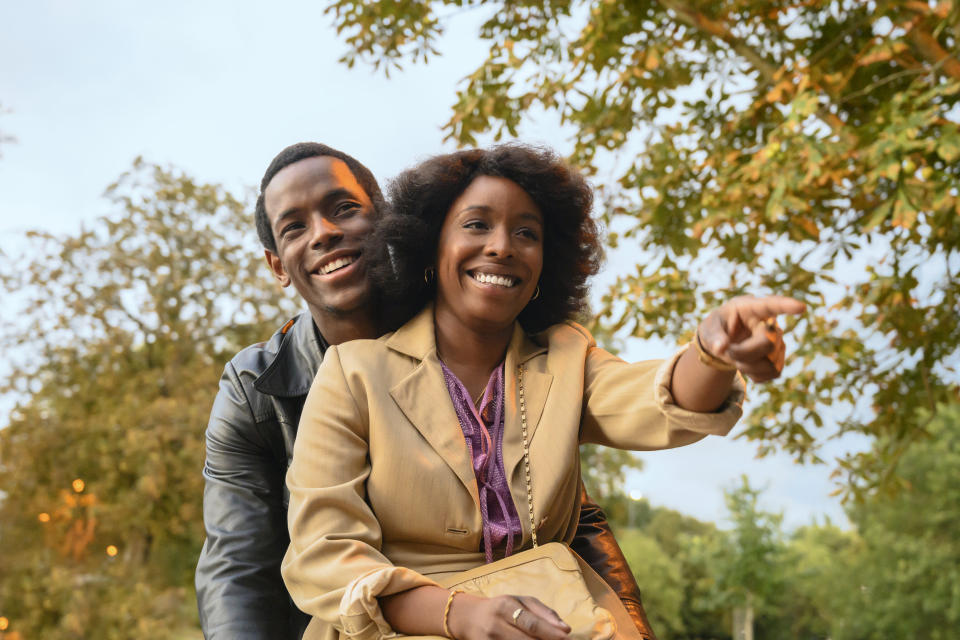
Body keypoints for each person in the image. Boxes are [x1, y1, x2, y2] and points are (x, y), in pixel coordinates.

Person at [281, 144, 805, 640]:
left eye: (526, 234)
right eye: (476, 225)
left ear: (542, 269)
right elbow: (324, 555)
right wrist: (459, 615)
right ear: (429, 246)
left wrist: (712, 353)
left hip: (558, 616)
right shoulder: (354, 372)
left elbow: (649, 400)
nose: (502, 246)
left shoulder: (566, 356)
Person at [195, 142, 660, 640]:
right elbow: (238, 564)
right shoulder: (252, 392)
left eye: (344, 209)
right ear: (277, 266)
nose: (324, 233)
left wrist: (629, 625)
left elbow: (569, 514)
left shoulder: (479, 334)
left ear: (390, 225)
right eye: (294, 227)